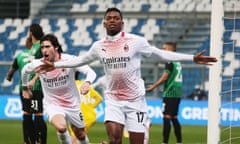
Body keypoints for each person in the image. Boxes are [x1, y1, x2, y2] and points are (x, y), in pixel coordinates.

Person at [35, 7, 217, 144]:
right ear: (104, 23)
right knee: (114, 139)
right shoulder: (99, 46)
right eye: (109, 18)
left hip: (136, 101)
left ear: (122, 23)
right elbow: (80, 61)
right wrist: (55, 65)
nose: (112, 20)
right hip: (113, 100)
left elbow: (160, 54)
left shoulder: (135, 41)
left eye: (116, 18)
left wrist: (192, 58)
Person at [22, 34, 96, 144]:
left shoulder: (69, 60)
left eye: (47, 46)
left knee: (80, 134)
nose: (44, 50)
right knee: (61, 128)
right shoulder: (38, 63)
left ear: (56, 47)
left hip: (73, 104)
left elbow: (90, 72)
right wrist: (25, 87)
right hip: (53, 104)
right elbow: (25, 71)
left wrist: (87, 82)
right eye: (42, 47)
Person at [7, 23, 47, 144]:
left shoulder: (26, 52)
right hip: (35, 87)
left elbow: (12, 70)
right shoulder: (38, 48)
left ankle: (28, 140)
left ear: (31, 33)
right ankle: (39, 141)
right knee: (37, 113)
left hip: (27, 87)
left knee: (27, 112)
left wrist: (9, 76)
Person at [146, 42, 183, 144]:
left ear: (170, 50)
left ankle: (165, 142)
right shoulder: (178, 61)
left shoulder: (170, 61)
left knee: (166, 117)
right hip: (177, 93)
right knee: (174, 117)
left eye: (164, 48)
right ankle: (179, 141)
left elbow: (165, 77)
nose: (162, 50)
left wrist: (153, 86)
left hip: (170, 93)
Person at [68, 72, 103, 144]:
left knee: (74, 141)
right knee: (79, 139)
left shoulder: (70, 87)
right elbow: (99, 98)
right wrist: (91, 107)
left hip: (80, 117)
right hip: (90, 116)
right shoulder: (85, 86)